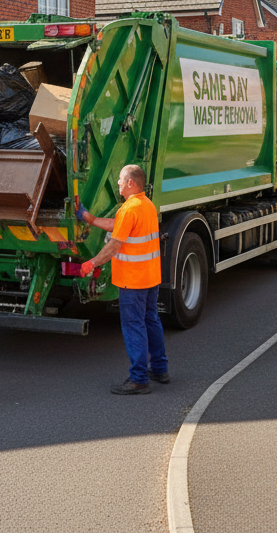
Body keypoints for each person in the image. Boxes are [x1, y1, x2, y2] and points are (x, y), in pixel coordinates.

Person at [79, 164, 169, 395]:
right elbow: (119, 227)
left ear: (131, 183)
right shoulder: (145, 205)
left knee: (133, 326)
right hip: (150, 278)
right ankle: (159, 369)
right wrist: (90, 218)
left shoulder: (129, 209)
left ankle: (138, 379)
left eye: (120, 179)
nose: (118, 182)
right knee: (151, 321)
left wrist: (92, 263)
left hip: (133, 281)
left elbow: (114, 244)